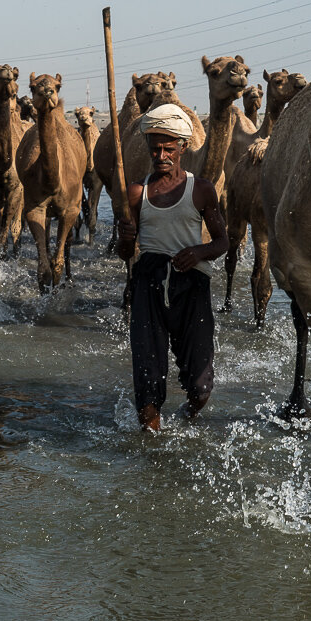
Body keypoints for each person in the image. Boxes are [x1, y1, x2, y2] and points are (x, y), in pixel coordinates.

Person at [115, 103, 228, 432]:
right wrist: (126, 237)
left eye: (168, 149)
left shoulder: (201, 189)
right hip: (148, 282)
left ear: (183, 148)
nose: (161, 155)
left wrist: (198, 252)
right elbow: (126, 253)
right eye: (155, 149)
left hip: (191, 284)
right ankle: (151, 447)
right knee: (148, 376)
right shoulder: (138, 192)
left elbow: (222, 242)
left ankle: (186, 417)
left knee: (200, 384)